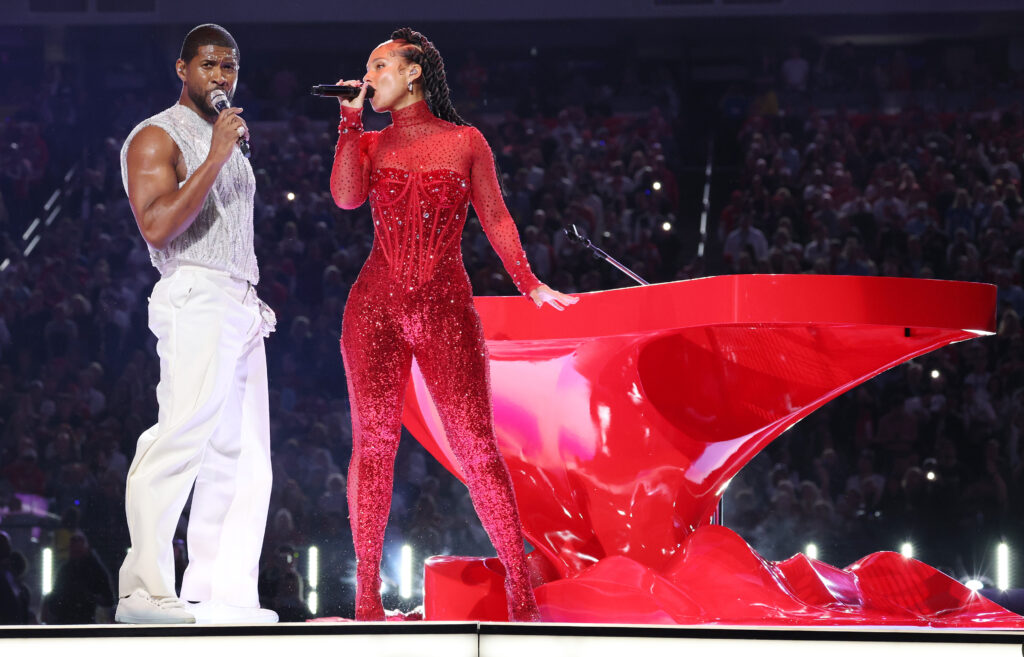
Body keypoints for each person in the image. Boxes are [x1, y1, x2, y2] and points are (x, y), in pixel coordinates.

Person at [330, 27, 577, 622]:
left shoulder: (465, 141)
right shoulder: (369, 141)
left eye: (380, 66)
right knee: (373, 447)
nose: (369, 76)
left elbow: (496, 217)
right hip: (374, 308)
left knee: (476, 448)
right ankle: (367, 601)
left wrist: (529, 282)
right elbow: (345, 198)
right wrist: (348, 124)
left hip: (446, 308)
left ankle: (520, 594)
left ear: (413, 72)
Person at [115, 23, 276, 624]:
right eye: (208, 64)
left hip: (241, 302)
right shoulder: (155, 135)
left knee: (244, 457)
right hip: (195, 292)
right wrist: (215, 157)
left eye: (229, 66)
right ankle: (142, 589)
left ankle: (220, 594)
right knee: (179, 437)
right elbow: (157, 226)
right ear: (182, 69)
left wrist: (220, 151)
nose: (220, 76)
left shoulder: (223, 135)